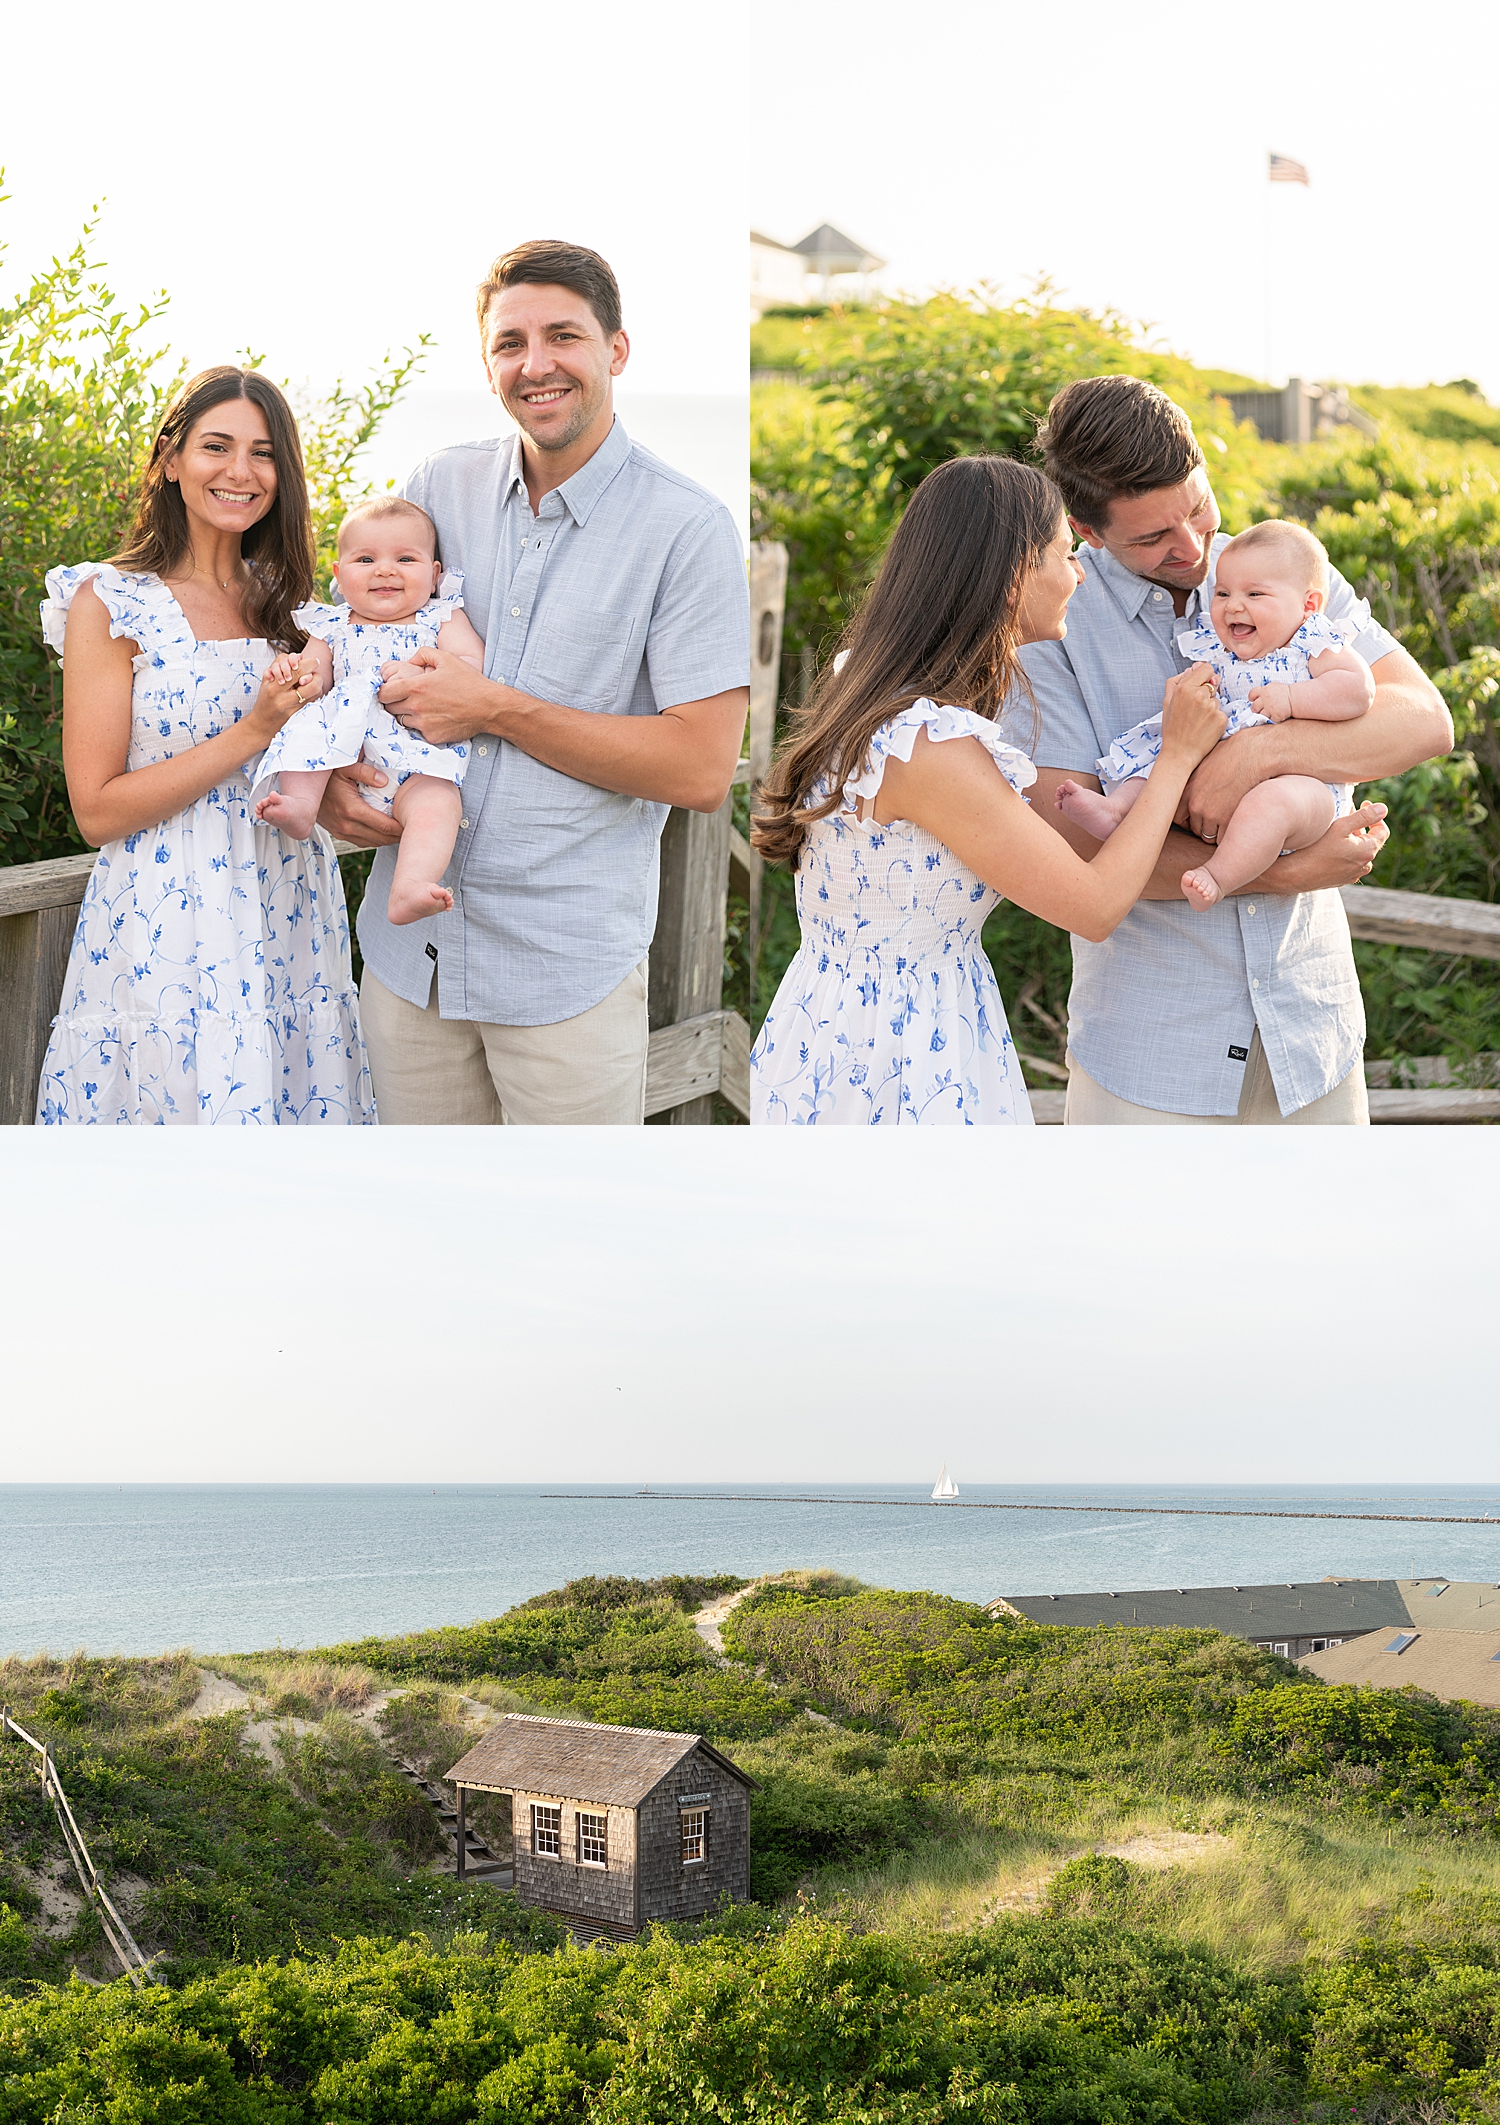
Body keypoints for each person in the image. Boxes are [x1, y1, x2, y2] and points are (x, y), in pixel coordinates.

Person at [313, 239, 751, 1125]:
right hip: (410, 963)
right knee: (428, 1234)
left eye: (564, 336)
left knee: (571, 1246)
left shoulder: (689, 530)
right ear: (487, 364)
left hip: (564, 971)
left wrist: (497, 708)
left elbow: (701, 769)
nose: (536, 363)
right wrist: (325, 781)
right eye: (510, 343)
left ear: (616, 350)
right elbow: (349, 648)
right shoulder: (439, 484)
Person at [1014, 375, 1453, 1125]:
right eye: (1154, 536)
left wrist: (1259, 754)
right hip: (1150, 1058)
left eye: (1197, 507)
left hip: (1312, 1037)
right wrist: (1287, 873)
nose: (1194, 549)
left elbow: (1422, 721)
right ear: (1089, 532)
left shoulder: (1285, 568)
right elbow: (1066, 852)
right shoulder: (1053, 618)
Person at [747, 455, 1226, 1125]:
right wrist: (1176, 755)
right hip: (902, 1057)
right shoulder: (929, 747)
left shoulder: (874, 692)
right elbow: (1092, 906)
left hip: (843, 1023)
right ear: (1013, 577)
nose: (1079, 575)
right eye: (1065, 554)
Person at [37, 366, 375, 1126]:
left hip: (286, 905)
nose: (240, 471)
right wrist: (253, 732)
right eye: (216, 446)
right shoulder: (111, 601)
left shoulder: (295, 607)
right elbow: (95, 810)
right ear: (170, 458)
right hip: (166, 916)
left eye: (263, 453)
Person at [1056, 519, 1374, 909]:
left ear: (1308, 605)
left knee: (1272, 803)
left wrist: (1293, 699)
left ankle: (1218, 875)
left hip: (1305, 788)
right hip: (1212, 770)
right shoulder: (1219, 648)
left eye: (1255, 594)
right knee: (1160, 758)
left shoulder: (1314, 642)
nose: (1234, 605)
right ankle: (1116, 809)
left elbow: (1357, 690)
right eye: (1223, 593)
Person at [252, 498, 484, 924]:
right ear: (339, 575)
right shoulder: (333, 626)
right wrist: (292, 670)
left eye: (405, 558)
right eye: (365, 559)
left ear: (434, 575)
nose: (385, 569)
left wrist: (422, 671)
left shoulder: (440, 619)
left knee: (439, 804)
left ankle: (411, 886)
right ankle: (301, 808)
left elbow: (472, 667)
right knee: (308, 737)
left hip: (417, 764)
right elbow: (314, 676)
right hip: (344, 753)